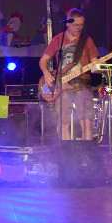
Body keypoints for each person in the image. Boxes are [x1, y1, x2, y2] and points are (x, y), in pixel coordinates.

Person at [39, 8, 99, 140]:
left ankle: (86, 151)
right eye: (76, 25)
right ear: (67, 23)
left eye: (81, 25)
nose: (79, 28)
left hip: (82, 83)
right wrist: (47, 73)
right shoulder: (58, 40)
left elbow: (95, 65)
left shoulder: (87, 40)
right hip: (61, 84)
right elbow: (43, 60)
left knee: (86, 122)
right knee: (63, 122)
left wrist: (101, 66)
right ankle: (65, 151)